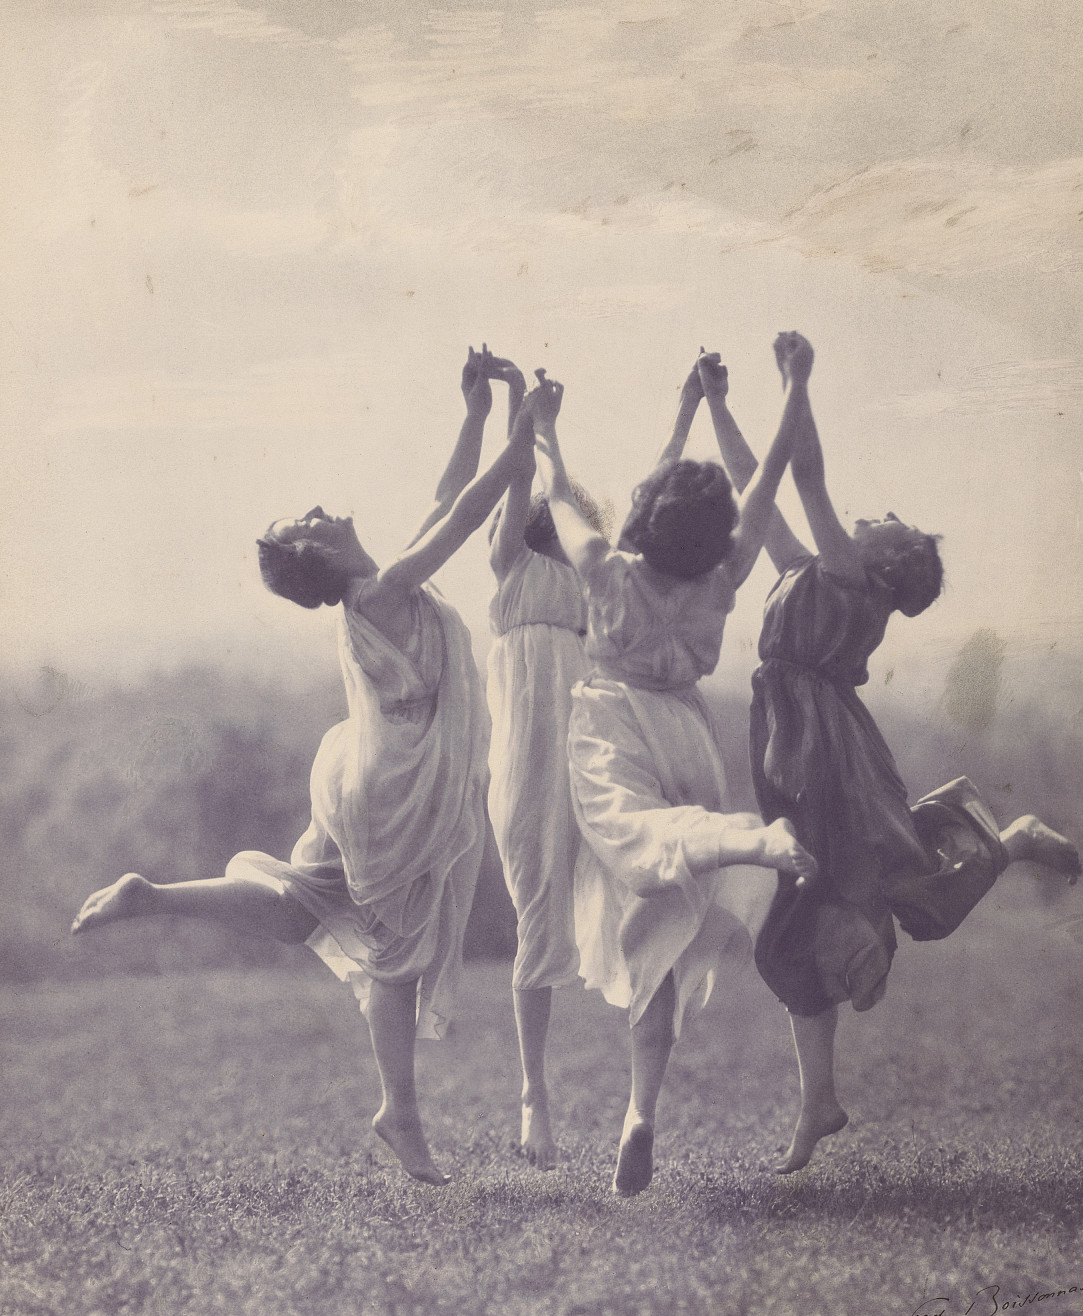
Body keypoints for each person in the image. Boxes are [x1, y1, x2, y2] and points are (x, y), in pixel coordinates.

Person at [72, 349, 551, 1187]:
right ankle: (397, 1115)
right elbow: (467, 515)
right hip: (396, 790)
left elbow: (448, 500)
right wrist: (528, 426)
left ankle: (153, 895)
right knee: (392, 961)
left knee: (303, 909)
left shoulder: (376, 586)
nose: (327, 509)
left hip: (364, 773)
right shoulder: (381, 593)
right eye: (312, 519)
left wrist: (478, 412)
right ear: (322, 556)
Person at [699, 335, 1083, 1174]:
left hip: (824, 756)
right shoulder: (822, 573)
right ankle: (818, 1102)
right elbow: (755, 490)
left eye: (886, 524)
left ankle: (1008, 840)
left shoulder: (847, 579)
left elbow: (805, 476)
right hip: (800, 746)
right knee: (815, 914)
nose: (872, 516)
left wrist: (797, 379)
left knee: (852, 893)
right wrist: (724, 405)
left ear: (886, 561)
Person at [525, 350, 816, 1197]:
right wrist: (784, 388)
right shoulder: (723, 575)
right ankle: (638, 1112)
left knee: (634, 840)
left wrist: (544, 430)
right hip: (688, 732)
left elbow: (562, 500)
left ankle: (751, 840)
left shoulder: (606, 575)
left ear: (644, 523)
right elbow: (760, 484)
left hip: (615, 722)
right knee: (658, 930)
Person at [485, 358, 607, 1170]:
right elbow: (518, 486)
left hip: (591, 749)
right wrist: (521, 418)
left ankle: (642, 1097)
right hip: (527, 764)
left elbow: (569, 495)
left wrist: (554, 427)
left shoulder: (589, 587)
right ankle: (533, 1093)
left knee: (626, 896)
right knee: (537, 916)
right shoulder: (514, 569)